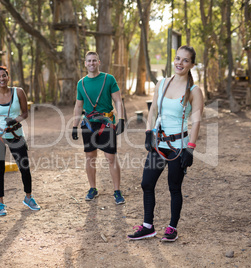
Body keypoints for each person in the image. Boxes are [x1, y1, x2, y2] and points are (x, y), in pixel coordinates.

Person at [127, 46, 204, 242]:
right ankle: (147, 226)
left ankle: (172, 228)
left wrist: (190, 148)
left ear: (191, 65)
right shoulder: (162, 83)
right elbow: (153, 111)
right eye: (178, 58)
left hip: (179, 147)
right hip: (158, 143)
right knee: (146, 183)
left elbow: (196, 122)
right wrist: (148, 132)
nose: (180, 63)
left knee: (174, 187)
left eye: (185, 60)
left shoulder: (194, 91)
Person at [0, 66, 40, 216]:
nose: (1, 79)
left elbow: (25, 112)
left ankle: (28, 197)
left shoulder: (18, 92)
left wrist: (15, 120)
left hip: (15, 134)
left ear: (8, 77)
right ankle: (0, 204)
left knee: (24, 167)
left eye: (4, 76)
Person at [72, 51, 126, 205]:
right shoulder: (81, 83)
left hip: (106, 122)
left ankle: (117, 191)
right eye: (89, 61)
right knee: (90, 158)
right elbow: (78, 105)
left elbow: (117, 100)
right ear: (85, 64)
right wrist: (75, 126)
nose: (91, 63)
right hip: (88, 124)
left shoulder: (108, 79)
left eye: (94, 60)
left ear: (99, 62)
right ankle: (93, 188)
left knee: (110, 158)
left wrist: (121, 119)